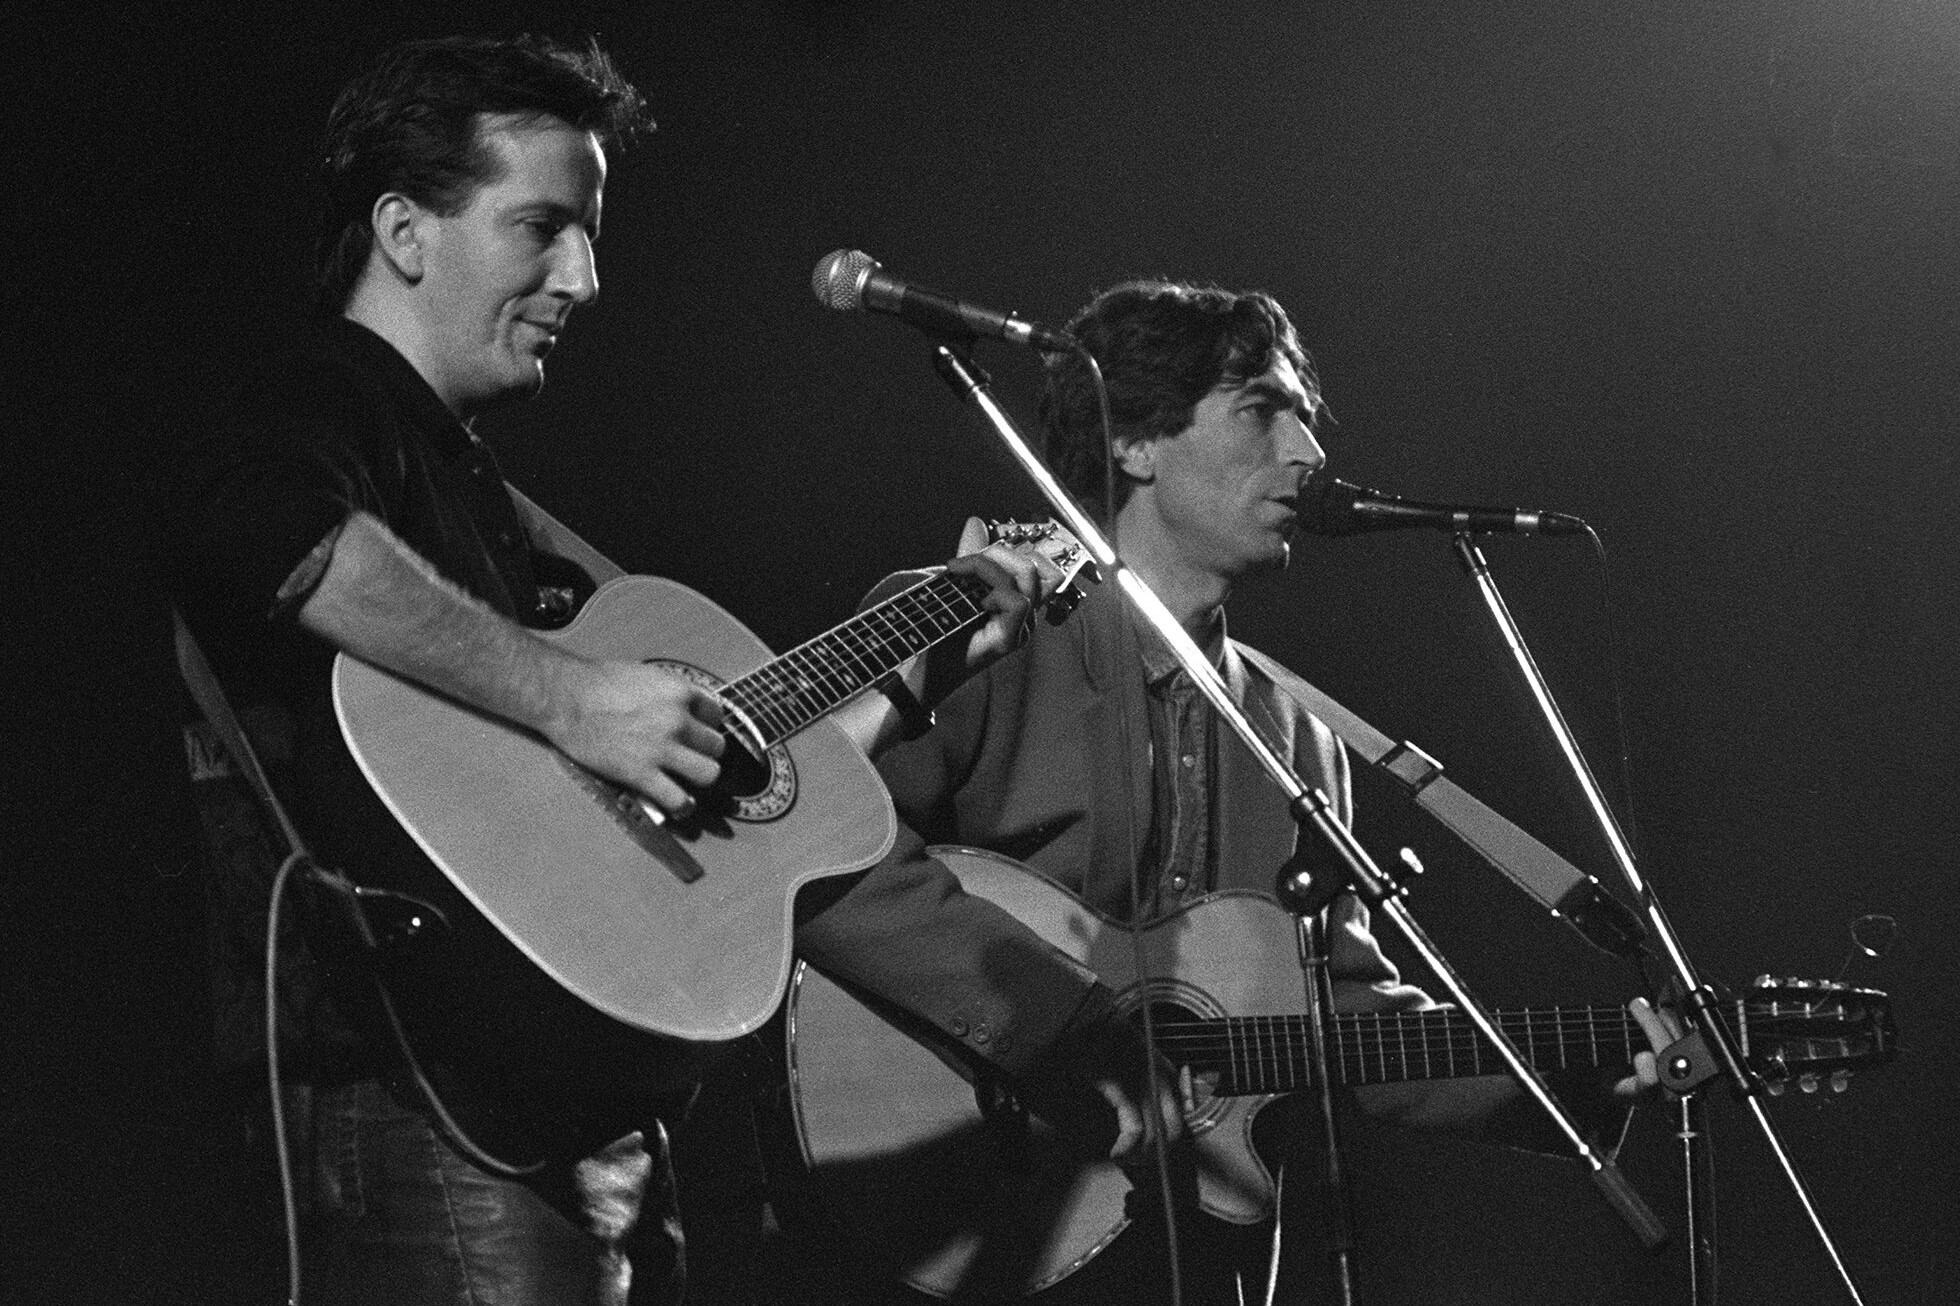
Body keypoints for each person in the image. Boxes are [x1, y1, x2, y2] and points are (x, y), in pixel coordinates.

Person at [173, 34, 1149, 1306]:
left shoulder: (481, 491)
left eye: (586, 234)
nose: (583, 276)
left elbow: (723, 802)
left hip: (564, 1105)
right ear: (405, 233)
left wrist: (913, 674)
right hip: (423, 1089)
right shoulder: (327, 401)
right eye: (542, 228)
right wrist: (574, 696)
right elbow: (250, 522)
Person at [764, 280, 1677, 1304]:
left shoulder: (1299, 736)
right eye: (1259, 411)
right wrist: (1065, 1033)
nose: (1309, 453)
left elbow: (1339, 1013)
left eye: (1302, 416)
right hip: (952, 1213)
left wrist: (1567, 1080)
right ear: (1136, 444)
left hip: (1189, 1260)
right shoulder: (973, 632)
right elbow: (815, 849)